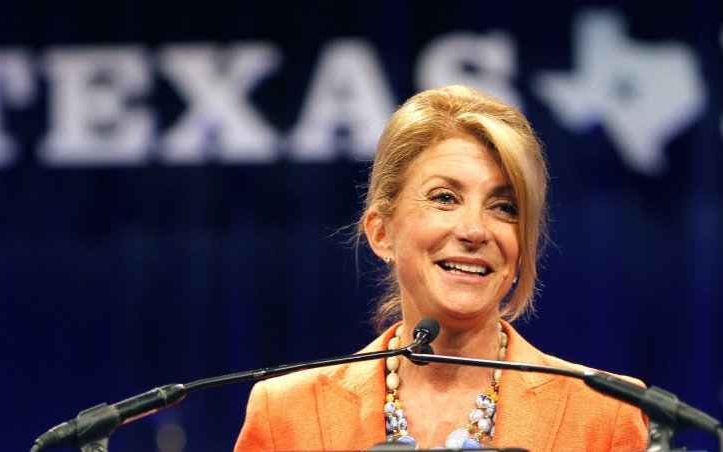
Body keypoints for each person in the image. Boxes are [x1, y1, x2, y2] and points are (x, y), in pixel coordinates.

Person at [234, 85, 648, 451]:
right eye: (445, 198)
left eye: (504, 207)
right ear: (382, 233)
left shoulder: (606, 412)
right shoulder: (285, 414)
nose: (474, 230)